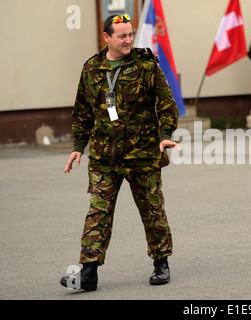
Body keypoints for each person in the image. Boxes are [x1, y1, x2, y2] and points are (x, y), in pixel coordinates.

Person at [60, 14, 179, 291]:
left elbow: (166, 103)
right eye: (122, 36)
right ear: (107, 38)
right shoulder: (91, 68)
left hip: (143, 154)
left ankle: (161, 263)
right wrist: (79, 147)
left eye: (130, 34)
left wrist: (164, 136)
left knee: (152, 210)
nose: (128, 40)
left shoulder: (146, 65)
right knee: (97, 213)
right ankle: (88, 272)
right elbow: (82, 111)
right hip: (104, 157)